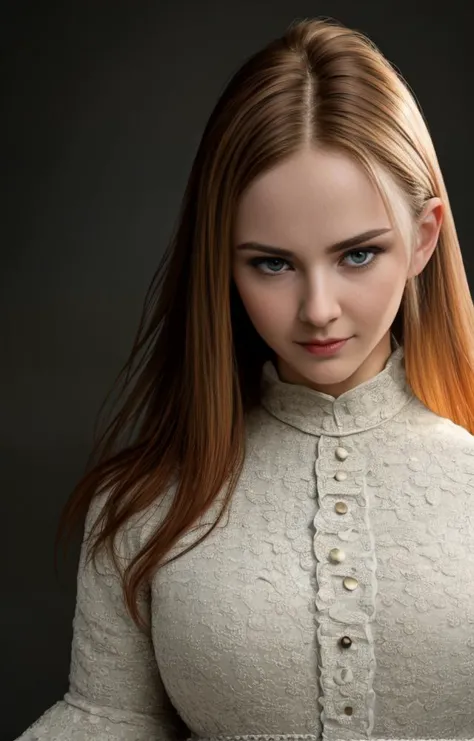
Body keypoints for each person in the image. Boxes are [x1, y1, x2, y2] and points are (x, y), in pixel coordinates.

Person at [15, 16, 474, 741]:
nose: (318, 311)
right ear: (221, 262)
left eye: (358, 254)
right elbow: (107, 720)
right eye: (272, 262)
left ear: (424, 237)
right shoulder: (144, 504)